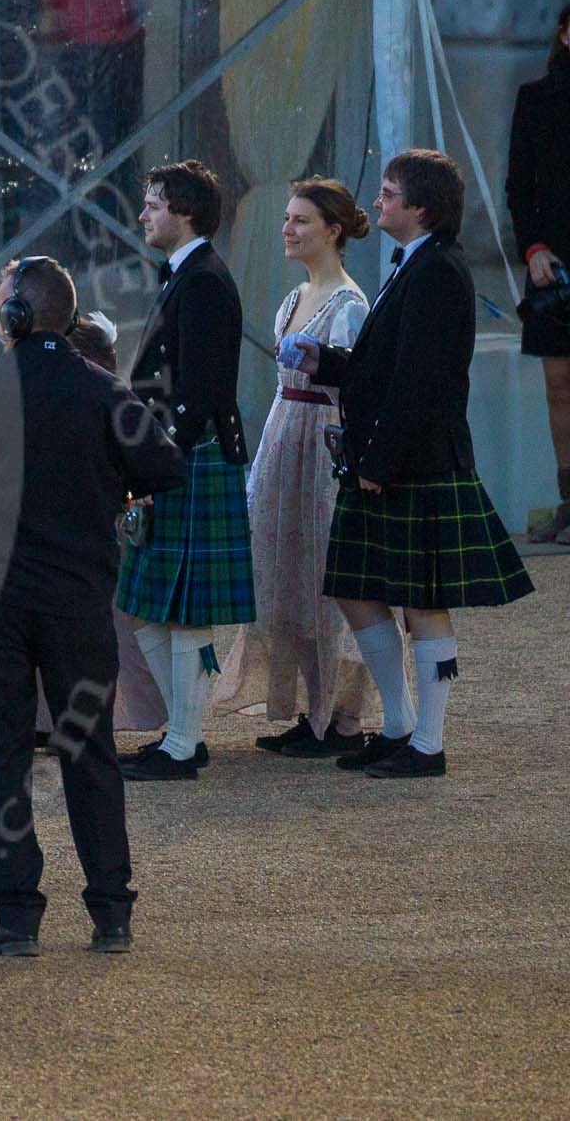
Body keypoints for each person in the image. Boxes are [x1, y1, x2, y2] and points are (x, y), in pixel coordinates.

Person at [0, 256, 186, 955]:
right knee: (88, 750)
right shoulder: (103, 389)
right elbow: (165, 465)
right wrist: (111, 489)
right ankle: (111, 911)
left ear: (12, 315)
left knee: (1, 755)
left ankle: (16, 915)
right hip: (76, 595)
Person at [280, 151, 534, 778]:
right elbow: (387, 366)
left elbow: (420, 381)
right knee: (356, 590)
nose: (380, 202)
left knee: (421, 602)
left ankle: (429, 743)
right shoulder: (412, 264)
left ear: (420, 208)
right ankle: (398, 726)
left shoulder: (440, 271)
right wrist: (328, 362)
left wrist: (377, 461)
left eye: (391, 194)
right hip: (393, 460)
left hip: (416, 463)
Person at [220, 180, 375, 755]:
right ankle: (311, 710)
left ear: (332, 230)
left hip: (322, 447)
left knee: (326, 577)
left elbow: (354, 389)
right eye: (287, 218)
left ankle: (343, 718)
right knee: (287, 573)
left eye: (301, 220)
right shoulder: (292, 300)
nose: (287, 228)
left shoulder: (349, 306)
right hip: (286, 440)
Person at [116, 160, 255, 782]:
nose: (143, 215)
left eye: (153, 204)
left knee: (184, 609)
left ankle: (183, 744)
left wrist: (156, 462)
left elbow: (196, 392)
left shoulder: (201, 280)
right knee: (150, 605)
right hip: (175, 457)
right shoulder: (184, 275)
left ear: (187, 212)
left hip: (187, 457)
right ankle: (181, 733)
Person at [508, 4, 570, 543]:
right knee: (558, 384)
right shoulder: (537, 99)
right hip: (553, 261)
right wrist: (533, 249)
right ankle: (569, 502)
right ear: (565, 34)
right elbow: (517, 187)